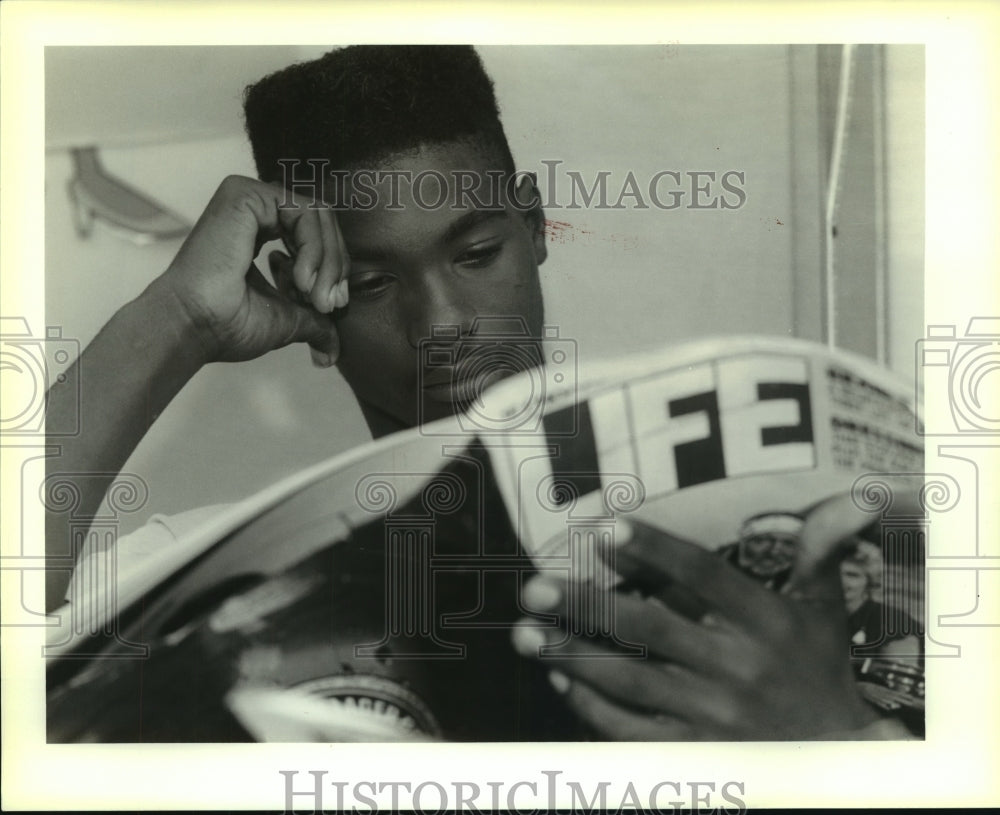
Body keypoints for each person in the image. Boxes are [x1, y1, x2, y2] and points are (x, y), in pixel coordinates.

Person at [44, 45, 914, 740]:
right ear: (308, 289)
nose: (443, 324)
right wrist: (176, 319)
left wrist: (837, 736)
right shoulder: (224, 574)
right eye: (376, 282)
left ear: (534, 228)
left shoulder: (789, 547)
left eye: (474, 255)